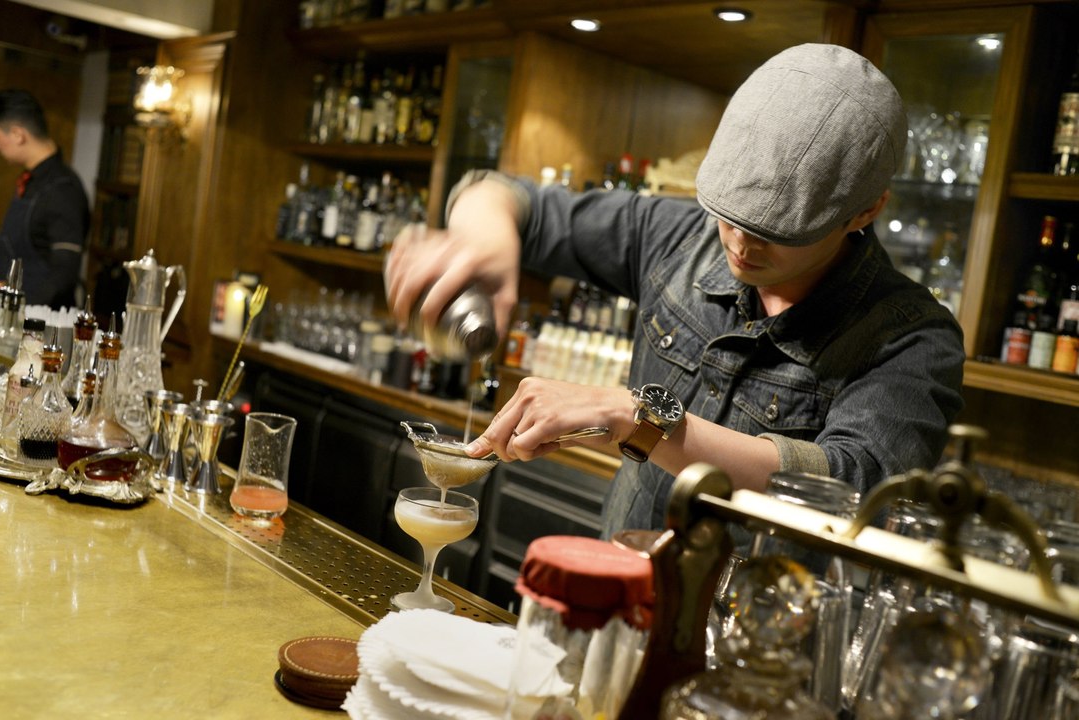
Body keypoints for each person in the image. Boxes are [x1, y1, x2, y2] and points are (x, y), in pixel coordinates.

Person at [385, 44, 966, 540]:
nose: (740, 243)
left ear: (866, 211)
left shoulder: (912, 337)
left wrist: (635, 417)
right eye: (729, 214)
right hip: (613, 592)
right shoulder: (678, 236)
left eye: (776, 232)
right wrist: (482, 243)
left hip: (752, 630)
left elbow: (854, 486)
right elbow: (499, 195)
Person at [0, 88, 89, 309]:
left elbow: (63, 273)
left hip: (37, 317)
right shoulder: (31, 179)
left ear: (18, 134)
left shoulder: (63, 189)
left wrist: (15, 307)